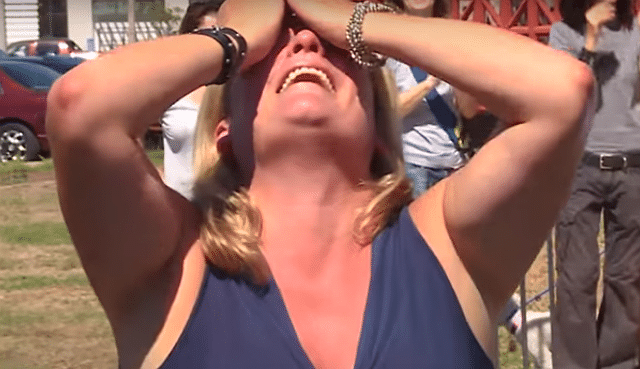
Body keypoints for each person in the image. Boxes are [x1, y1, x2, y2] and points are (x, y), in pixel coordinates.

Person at [45, 0, 593, 368]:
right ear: (225, 132)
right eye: (267, 52)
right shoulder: (173, 261)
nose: (306, 40)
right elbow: (82, 108)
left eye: (332, 46)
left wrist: (354, 21)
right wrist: (233, 37)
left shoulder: (447, 243)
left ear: (379, 131)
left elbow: (562, 92)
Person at [548, 0, 640, 367]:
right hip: (579, 166)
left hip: (632, 166)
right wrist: (589, 37)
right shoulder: (563, 33)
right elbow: (563, 94)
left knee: (627, 277)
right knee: (576, 277)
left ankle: (619, 363)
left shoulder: (635, 32)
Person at [387, 0, 465, 198]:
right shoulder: (388, 39)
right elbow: (387, 109)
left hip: (453, 162)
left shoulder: (452, 36)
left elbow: (468, 111)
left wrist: (468, 81)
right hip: (414, 165)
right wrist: (428, 84)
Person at [161, 0, 225, 200]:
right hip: (176, 214)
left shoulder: (240, 90)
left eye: (223, 36)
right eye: (208, 36)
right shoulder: (171, 88)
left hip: (227, 218)